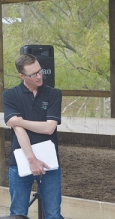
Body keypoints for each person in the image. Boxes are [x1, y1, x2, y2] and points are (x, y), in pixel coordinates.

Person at [2, 54, 63, 219]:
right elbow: (18, 130)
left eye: (40, 71)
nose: (39, 76)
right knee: (18, 214)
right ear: (21, 76)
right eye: (33, 74)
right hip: (20, 161)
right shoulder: (10, 95)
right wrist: (31, 159)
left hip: (49, 162)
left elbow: (49, 128)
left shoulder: (53, 94)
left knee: (53, 214)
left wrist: (19, 121)